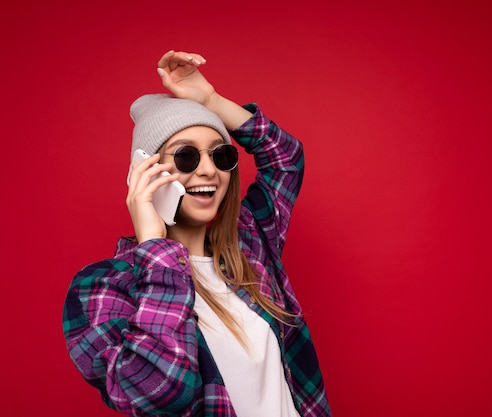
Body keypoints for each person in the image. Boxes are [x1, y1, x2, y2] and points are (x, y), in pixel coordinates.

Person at [63, 50, 332, 417]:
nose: (209, 171)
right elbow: (159, 393)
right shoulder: (102, 287)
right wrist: (156, 250)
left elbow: (286, 159)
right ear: (146, 172)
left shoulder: (249, 244)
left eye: (220, 156)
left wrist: (210, 101)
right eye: (187, 156)